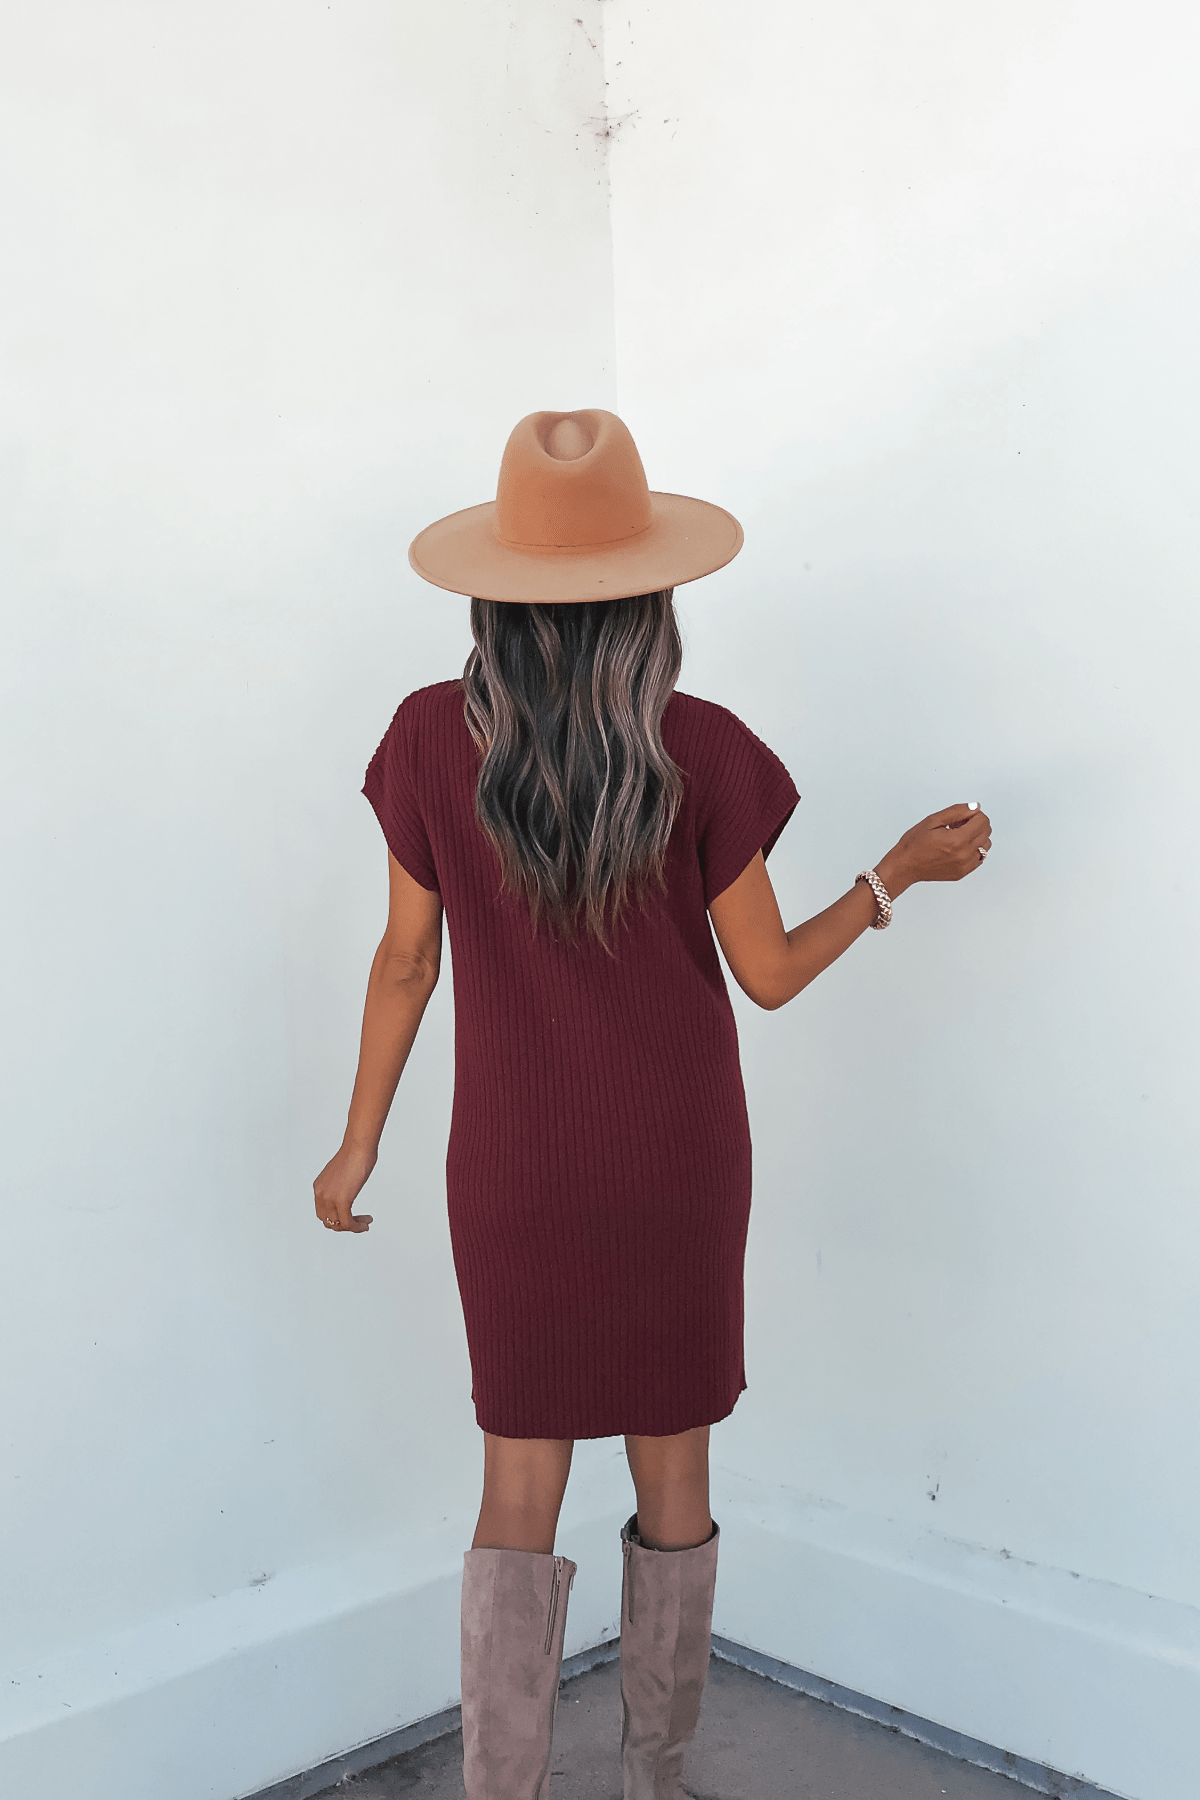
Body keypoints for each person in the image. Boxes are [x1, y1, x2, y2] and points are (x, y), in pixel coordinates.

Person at [312, 409, 992, 1800]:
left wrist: (358, 1140)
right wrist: (891, 878)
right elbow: (772, 975)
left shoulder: (432, 742)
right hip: (679, 1164)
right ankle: (657, 1781)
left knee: (517, 1493)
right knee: (671, 1474)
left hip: (508, 1169)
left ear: (495, 590)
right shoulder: (707, 750)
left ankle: (503, 1790)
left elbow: (403, 960)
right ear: (651, 595)